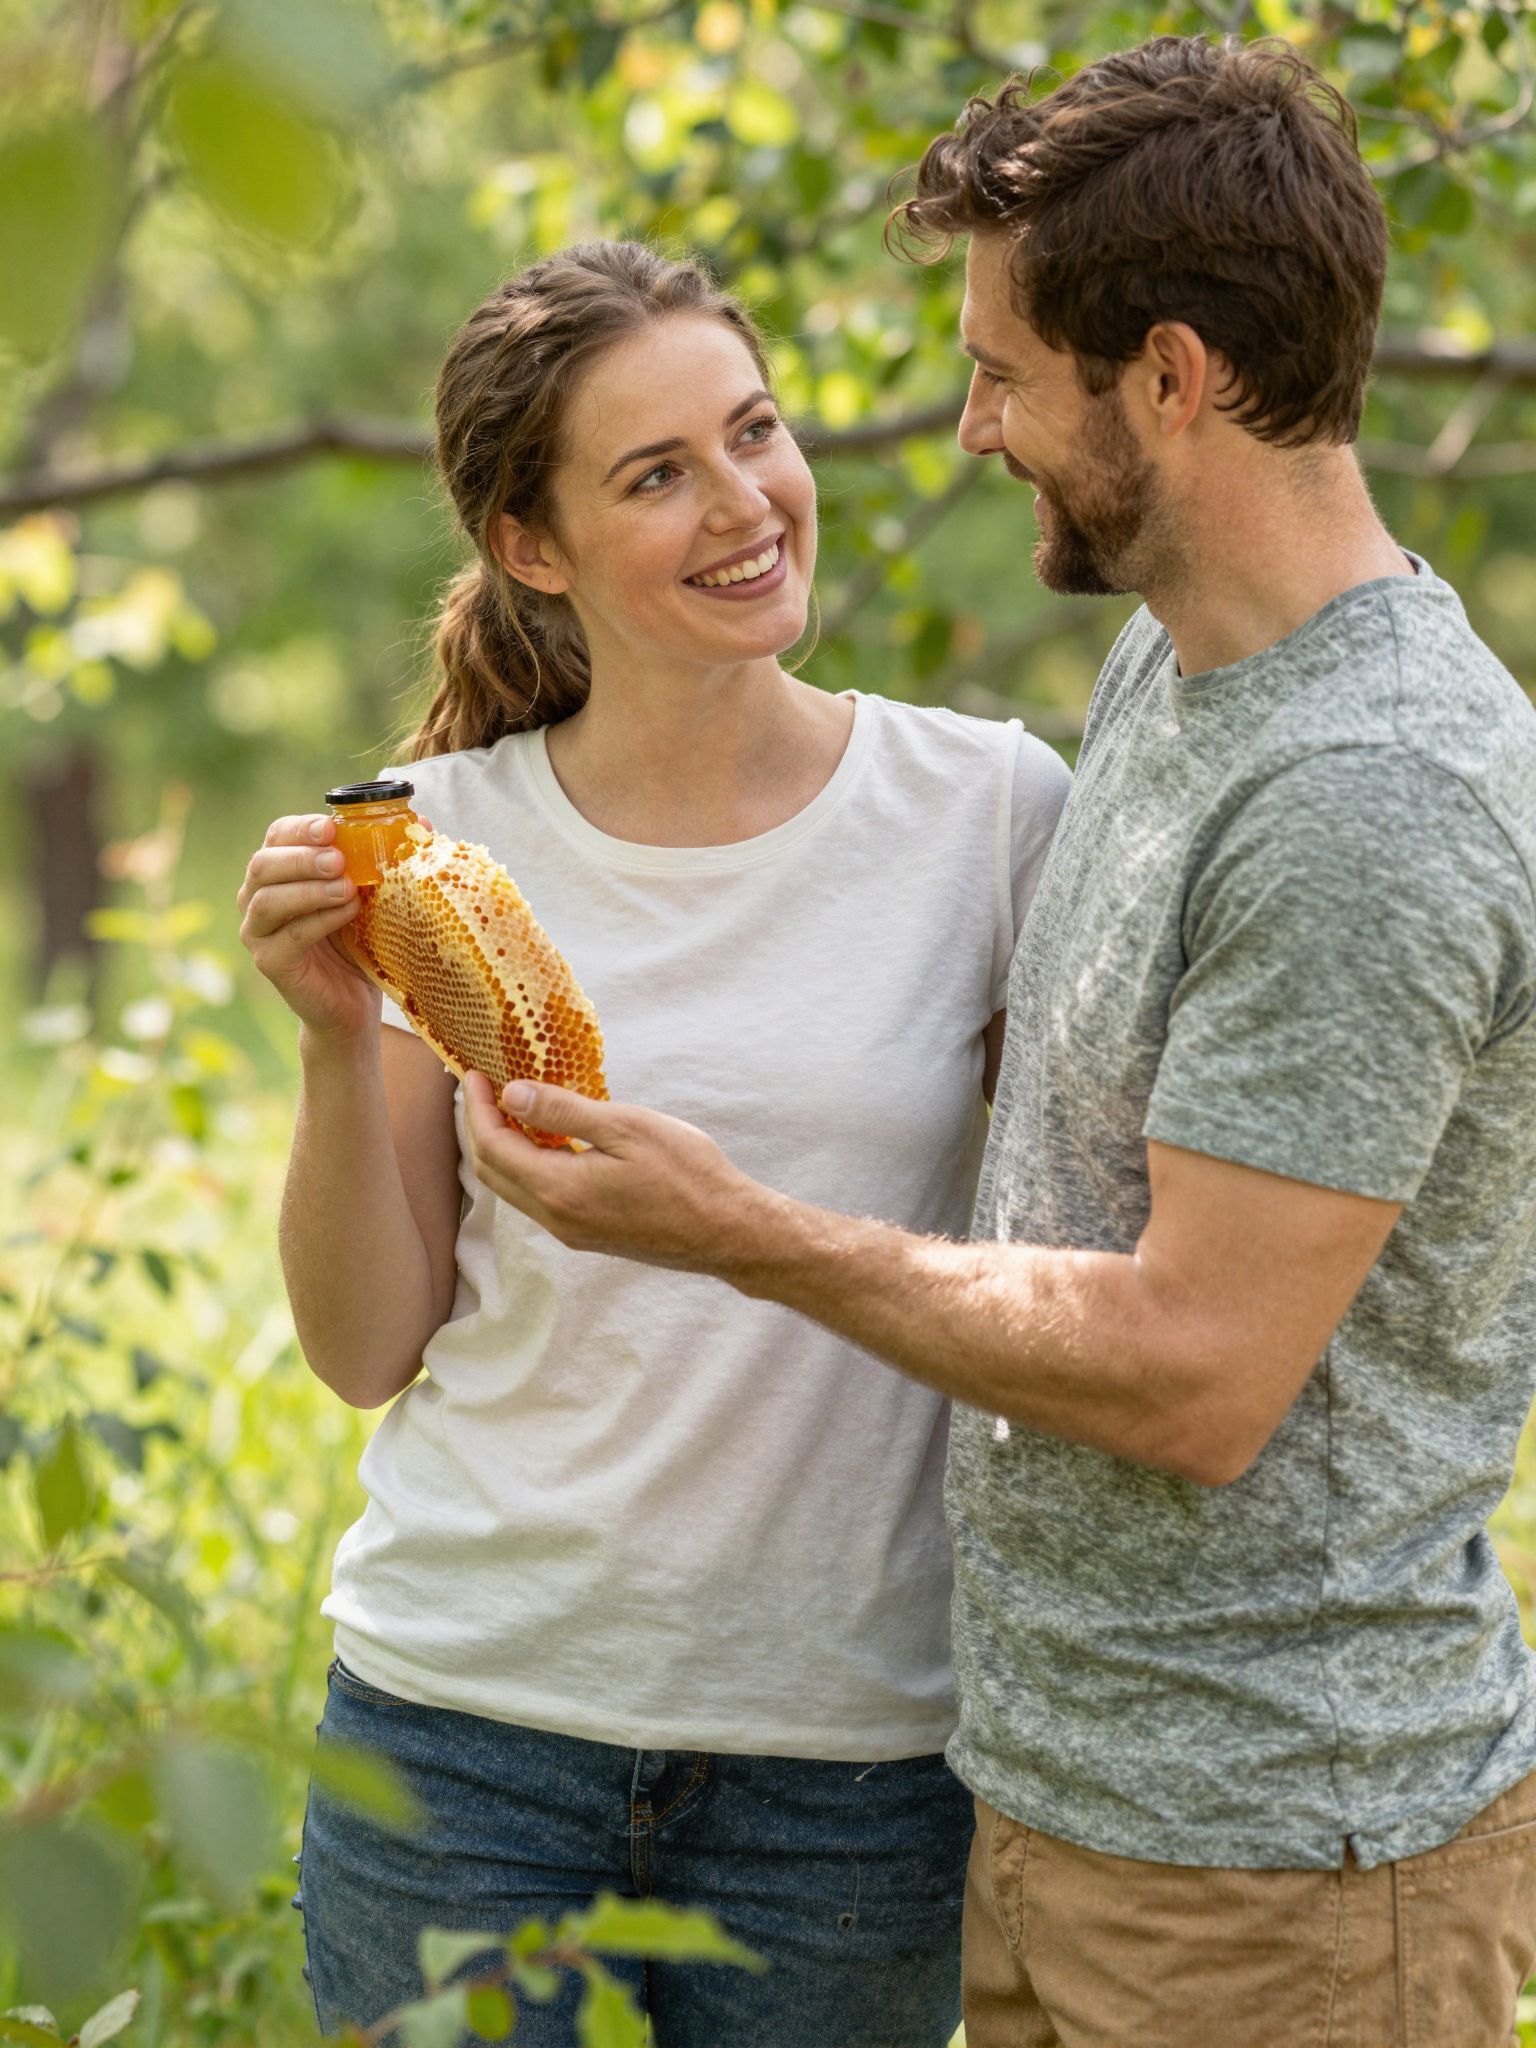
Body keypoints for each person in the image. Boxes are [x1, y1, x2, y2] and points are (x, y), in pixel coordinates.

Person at [458, 39, 1536, 2048]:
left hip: (1282, 1878)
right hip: (1056, 1815)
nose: (970, 428)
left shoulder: (1368, 794)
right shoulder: (1174, 665)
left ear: (1170, 377)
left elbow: (1199, 1373)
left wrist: (737, 1229)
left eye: (1004, 373)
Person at [235, 240, 1070, 2046]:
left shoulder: (991, 818)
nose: (746, 502)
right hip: (465, 1743)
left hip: (849, 1768)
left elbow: (1071, 1271)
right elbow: (365, 1349)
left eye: (754, 432)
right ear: (530, 546)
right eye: (656, 474)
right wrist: (331, 1041)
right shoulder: (427, 842)